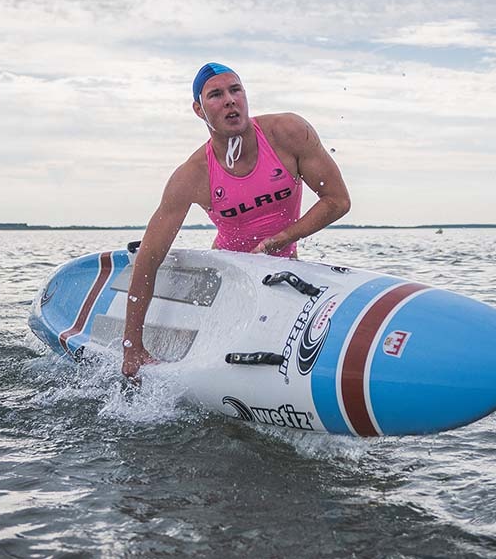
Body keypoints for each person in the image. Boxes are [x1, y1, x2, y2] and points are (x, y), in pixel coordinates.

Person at [121, 63, 351, 379]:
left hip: (287, 269)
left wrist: (281, 239)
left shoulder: (288, 134)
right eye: (216, 95)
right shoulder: (192, 176)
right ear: (199, 110)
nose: (230, 100)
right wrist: (133, 348)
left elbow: (337, 201)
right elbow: (148, 261)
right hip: (230, 280)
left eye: (235, 90)